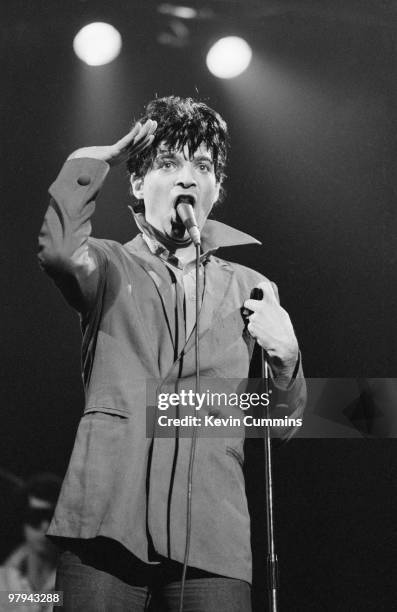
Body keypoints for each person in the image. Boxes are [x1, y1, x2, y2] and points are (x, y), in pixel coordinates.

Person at [38, 96, 306, 611]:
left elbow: (280, 424)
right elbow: (58, 251)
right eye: (168, 164)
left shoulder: (252, 287)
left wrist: (287, 359)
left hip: (211, 536)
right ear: (138, 186)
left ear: (216, 189)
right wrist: (94, 162)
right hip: (107, 518)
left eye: (202, 166)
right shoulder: (110, 265)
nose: (187, 177)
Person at [0, 473, 61, 612]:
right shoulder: (2, 582)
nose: (45, 527)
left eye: (52, 517)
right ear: (22, 518)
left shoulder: (75, 582)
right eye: (36, 516)